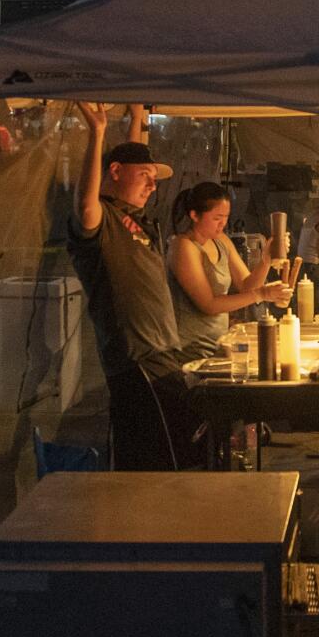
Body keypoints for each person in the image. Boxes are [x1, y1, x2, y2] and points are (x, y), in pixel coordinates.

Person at [67, 102, 201, 470]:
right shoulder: (101, 222)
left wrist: (138, 117)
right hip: (138, 365)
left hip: (164, 358)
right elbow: (85, 202)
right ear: (114, 171)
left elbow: (133, 157)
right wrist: (97, 134)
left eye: (153, 177)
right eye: (144, 175)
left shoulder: (137, 221)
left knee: (166, 457)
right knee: (159, 465)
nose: (152, 184)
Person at [167, 181, 289, 356]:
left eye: (226, 217)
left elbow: (247, 286)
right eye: (217, 218)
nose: (222, 223)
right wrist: (262, 294)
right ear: (194, 215)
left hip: (220, 343)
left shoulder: (221, 240)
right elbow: (208, 304)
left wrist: (267, 259)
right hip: (192, 348)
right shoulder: (183, 246)